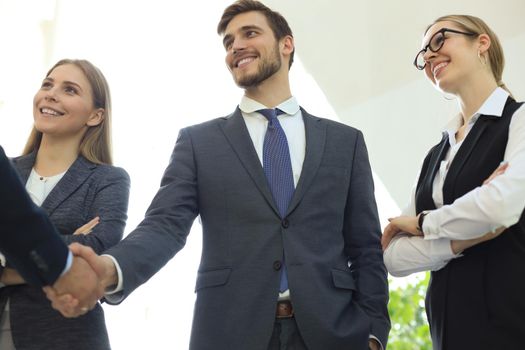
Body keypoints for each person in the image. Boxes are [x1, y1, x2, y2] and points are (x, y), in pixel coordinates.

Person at [48, 2, 389, 349]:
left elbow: (365, 248)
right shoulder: (199, 143)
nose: (236, 46)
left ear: (286, 44)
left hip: (333, 334)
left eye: (249, 33)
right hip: (229, 332)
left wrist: (374, 333)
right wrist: (110, 268)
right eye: (228, 42)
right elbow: (164, 226)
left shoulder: (345, 142)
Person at [382, 15, 525, 350]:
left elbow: (500, 206)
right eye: (423, 55)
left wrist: (422, 223)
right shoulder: (436, 154)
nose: (429, 57)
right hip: (449, 333)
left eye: (439, 41)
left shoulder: (519, 119)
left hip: (511, 323)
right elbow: (393, 256)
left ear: (482, 43)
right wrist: (460, 242)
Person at [0, 59, 130, 350]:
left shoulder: (109, 179)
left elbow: (95, 251)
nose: (51, 94)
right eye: (47, 84)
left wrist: (7, 261)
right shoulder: (5, 172)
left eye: (69, 90)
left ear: (96, 116)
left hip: (63, 337)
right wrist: (62, 249)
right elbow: (72, 255)